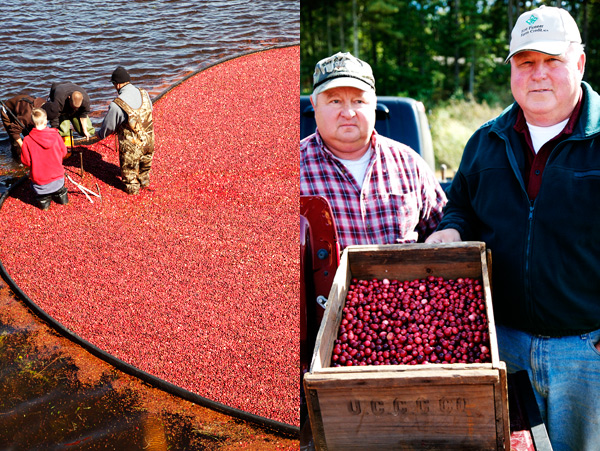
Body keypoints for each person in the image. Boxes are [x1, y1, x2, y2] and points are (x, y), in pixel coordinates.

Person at [425, 6, 600, 450]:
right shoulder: (486, 141)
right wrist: (451, 231)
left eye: (552, 61)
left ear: (579, 63)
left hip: (586, 352)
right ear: (511, 71)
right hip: (503, 346)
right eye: (525, 62)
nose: (538, 74)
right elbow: (461, 207)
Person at [300, 52, 446, 249]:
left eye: (358, 101)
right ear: (314, 104)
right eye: (335, 101)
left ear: (374, 103)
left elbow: (444, 227)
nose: (348, 113)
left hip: (401, 280)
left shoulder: (410, 164)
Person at [97, 66, 155, 195]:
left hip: (132, 147)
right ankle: (144, 182)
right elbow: (149, 109)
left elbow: (109, 127)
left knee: (130, 173)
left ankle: (133, 191)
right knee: (145, 166)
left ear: (117, 84)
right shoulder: (144, 93)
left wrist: (99, 134)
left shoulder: (117, 104)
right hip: (149, 140)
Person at [20, 108, 68, 211]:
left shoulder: (27, 140)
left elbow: (25, 161)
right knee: (60, 191)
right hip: (58, 180)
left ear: (32, 122)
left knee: (42, 197)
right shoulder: (56, 135)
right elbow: (64, 152)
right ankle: (62, 199)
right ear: (46, 120)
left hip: (40, 185)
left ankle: (44, 203)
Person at [1, 93, 46, 160]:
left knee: (30, 134)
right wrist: (23, 147)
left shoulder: (44, 105)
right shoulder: (27, 117)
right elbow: (14, 132)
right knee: (15, 141)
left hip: (23, 111)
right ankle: (16, 159)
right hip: (8, 111)